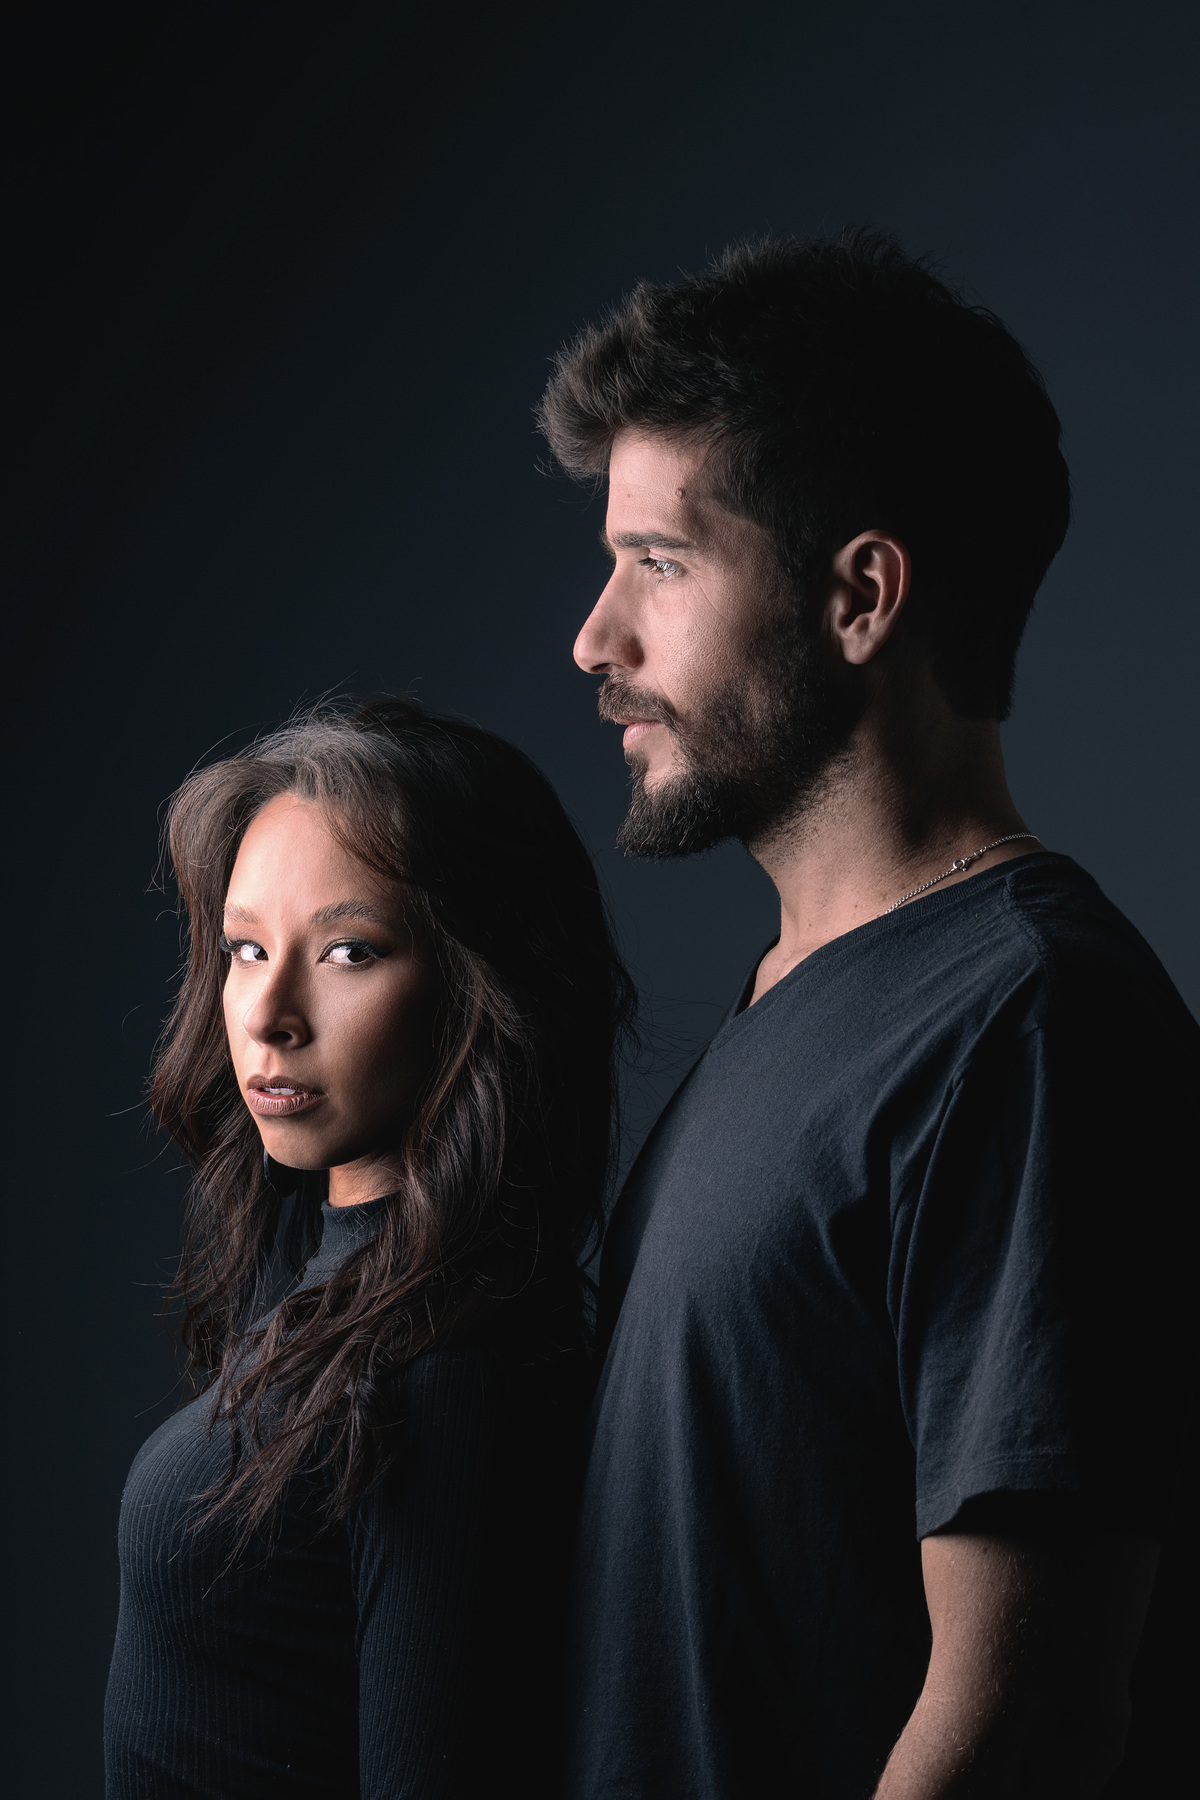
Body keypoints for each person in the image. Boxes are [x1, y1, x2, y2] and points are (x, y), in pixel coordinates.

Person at [536, 233, 1198, 1798]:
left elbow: (1024, 1724)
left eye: (659, 564)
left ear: (861, 596)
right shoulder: (795, 1006)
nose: (595, 640)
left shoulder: (1026, 1023)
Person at [104, 697, 635, 1800]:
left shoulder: (448, 1379)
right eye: (247, 949)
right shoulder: (345, 1298)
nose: (268, 1013)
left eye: (349, 951)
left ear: (479, 984)